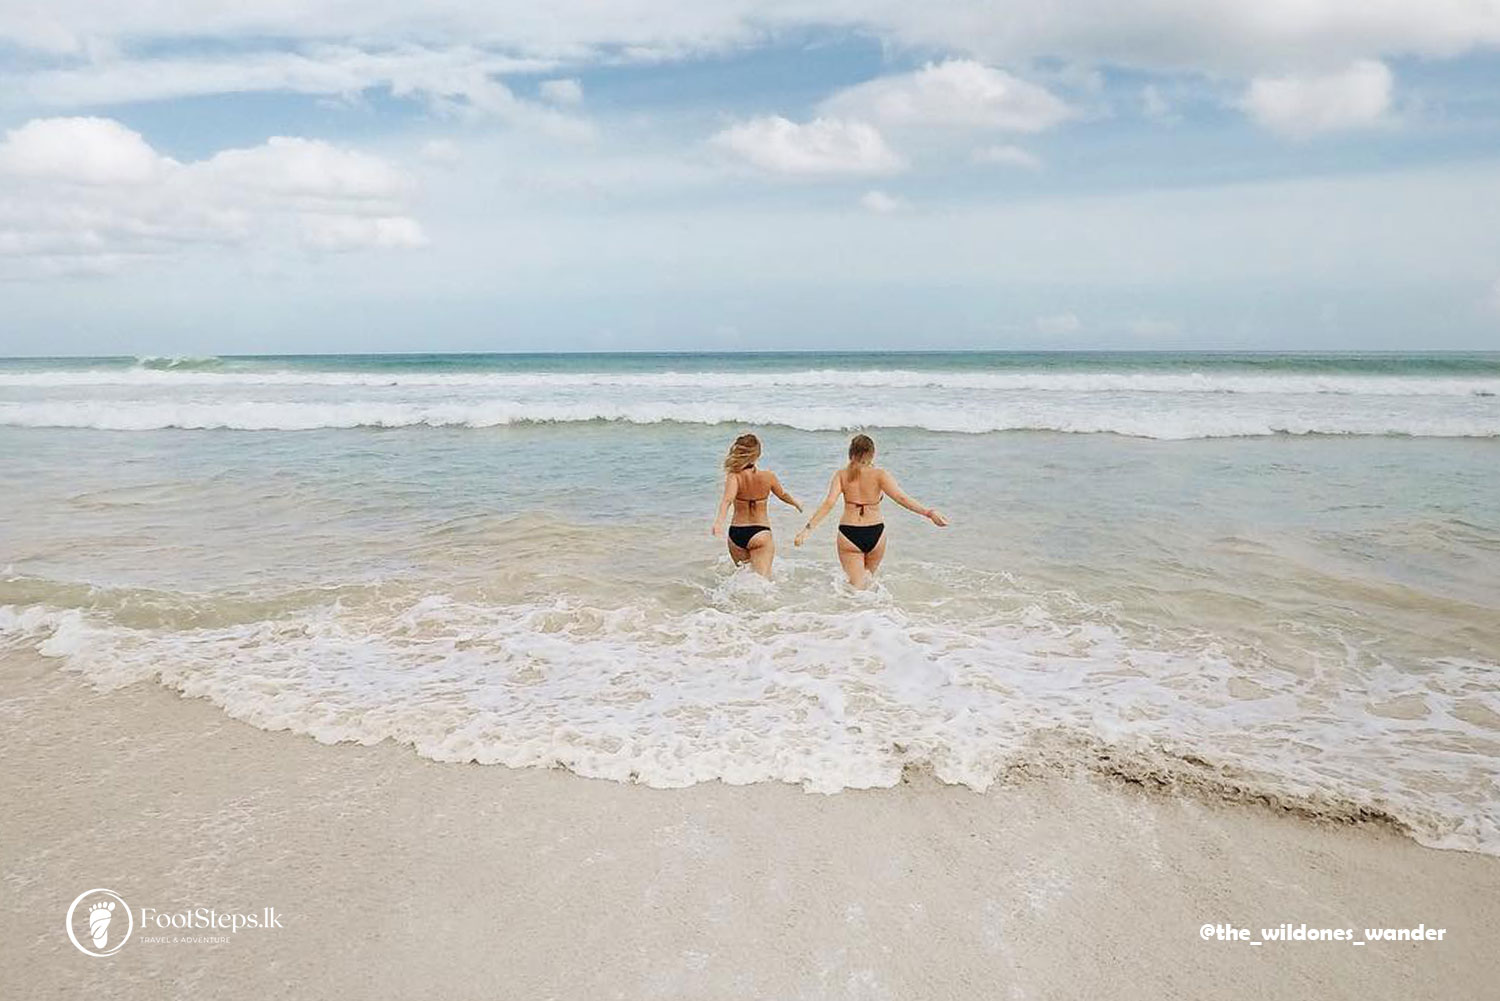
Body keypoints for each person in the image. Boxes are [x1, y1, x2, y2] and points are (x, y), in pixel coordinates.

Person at [794, 433, 947, 588]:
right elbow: (902, 498)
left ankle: (853, 612)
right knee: (868, 585)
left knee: (856, 590)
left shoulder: (841, 475)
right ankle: (875, 612)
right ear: (872, 454)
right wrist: (929, 513)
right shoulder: (880, 474)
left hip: (849, 534)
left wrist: (807, 530)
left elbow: (829, 503)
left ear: (851, 453)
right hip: (876, 533)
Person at [711, 433, 802, 578]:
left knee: (744, 580)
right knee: (762, 583)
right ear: (757, 454)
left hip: (736, 533)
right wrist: (796, 503)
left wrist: (719, 523)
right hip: (760, 532)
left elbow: (727, 500)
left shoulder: (734, 476)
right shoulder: (768, 476)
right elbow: (783, 494)